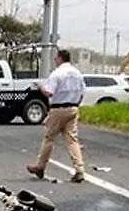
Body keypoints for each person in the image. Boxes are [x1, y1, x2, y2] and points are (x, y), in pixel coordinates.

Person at [27, 49, 86, 183]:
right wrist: (76, 105)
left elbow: (49, 93)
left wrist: (40, 87)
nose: (55, 61)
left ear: (60, 58)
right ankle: (79, 169)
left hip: (58, 109)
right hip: (73, 107)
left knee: (49, 138)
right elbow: (82, 93)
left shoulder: (57, 73)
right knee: (72, 140)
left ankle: (40, 166)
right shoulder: (77, 74)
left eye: (56, 58)